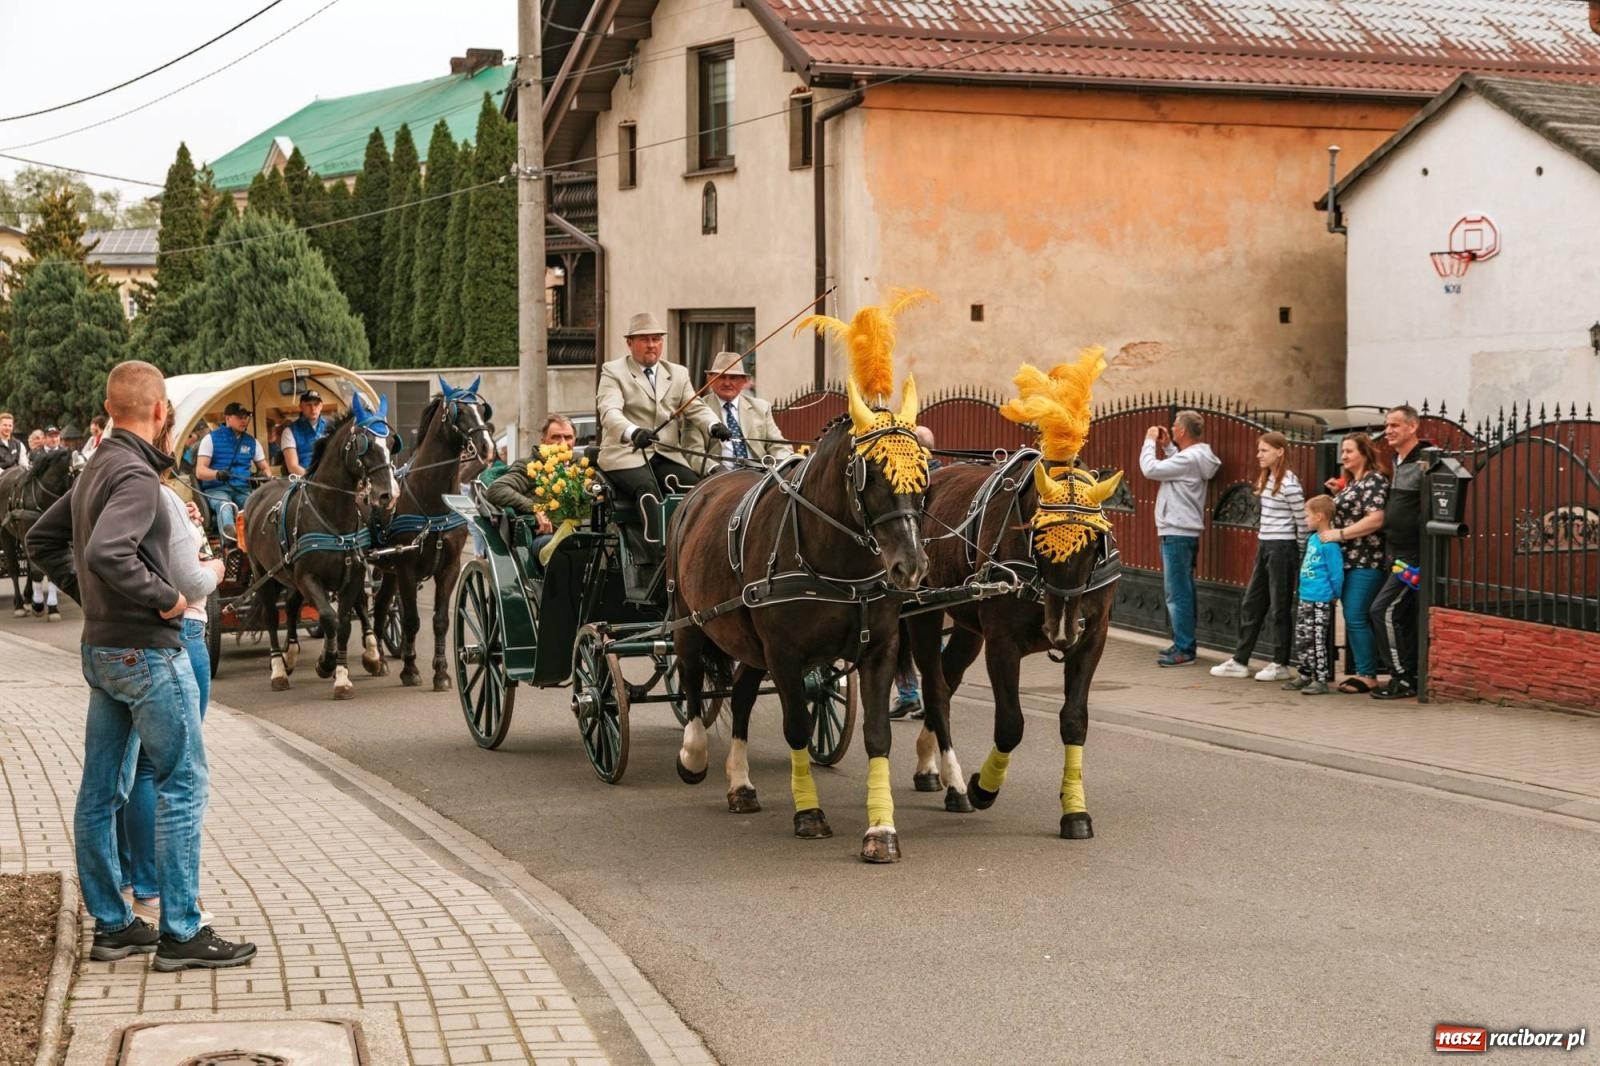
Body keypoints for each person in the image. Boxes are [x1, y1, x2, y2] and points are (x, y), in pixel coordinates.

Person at [27, 359, 255, 971]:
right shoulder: (133, 473)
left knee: (101, 791)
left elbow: (41, 540)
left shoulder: (99, 465)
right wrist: (167, 598)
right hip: (147, 651)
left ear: (109, 409)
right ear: (159, 411)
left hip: (103, 650)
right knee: (184, 782)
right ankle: (182, 931)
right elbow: (108, 551)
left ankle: (113, 925)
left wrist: (92, 599)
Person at [117, 398, 224, 929]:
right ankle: (162, 895)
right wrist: (218, 567)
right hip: (182, 632)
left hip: (129, 638)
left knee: (135, 769)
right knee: (172, 773)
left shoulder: (119, 486)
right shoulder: (158, 493)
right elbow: (192, 579)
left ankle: (135, 882)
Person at [595, 312, 727, 514]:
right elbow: (609, 412)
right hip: (626, 454)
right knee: (647, 490)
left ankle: (686, 534)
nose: (651, 345)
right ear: (629, 343)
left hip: (666, 454)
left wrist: (713, 425)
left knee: (694, 488)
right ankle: (655, 536)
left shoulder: (678, 372)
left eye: (656, 339)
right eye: (644, 339)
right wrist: (633, 432)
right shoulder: (613, 371)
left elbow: (695, 406)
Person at [1210, 431, 1306, 681]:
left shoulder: (1290, 484)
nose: (1258, 455)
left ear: (1280, 451)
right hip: (1265, 545)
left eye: (1264, 450)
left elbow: (1302, 522)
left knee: (1280, 607)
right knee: (1252, 603)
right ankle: (1240, 660)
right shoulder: (1268, 479)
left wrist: (1300, 553)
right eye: (1259, 450)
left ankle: (1280, 663)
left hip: (1282, 548)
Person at [1139, 409, 1221, 667]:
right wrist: (1168, 448)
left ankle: (1185, 649)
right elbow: (1179, 467)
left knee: (1177, 594)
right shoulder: (1194, 457)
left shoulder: (1190, 458)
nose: (1172, 428)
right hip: (1181, 532)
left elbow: (1149, 469)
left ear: (1183, 430)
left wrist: (1149, 440)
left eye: (1175, 425)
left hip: (1177, 532)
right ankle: (1182, 643)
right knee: (1182, 590)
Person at [1367, 405, 1433, 701]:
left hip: (1414, 556)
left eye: (1394, 425)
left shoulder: (1427, 459)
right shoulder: (1396, 459)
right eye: (1387, 425)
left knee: (1382, 610)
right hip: (1395, 552)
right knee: (1402, 616)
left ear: (1412, 427)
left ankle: (1402, 678)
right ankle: (1410, 675)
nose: (1388, 431)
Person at [1319, 432, 1389, 693]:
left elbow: (1376, 519)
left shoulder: (1374, 480)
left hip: (1366, 559)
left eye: (1349, 451)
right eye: (1343, 451)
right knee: (1354, 616)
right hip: (1348, 560)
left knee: (1356, 615)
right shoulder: (1354, 482)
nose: (1344, 456)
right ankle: (1364, 671)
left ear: (1364, 453)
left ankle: (1368, 675)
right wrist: (1339, 493)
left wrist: (1340, 534)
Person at [890, 426, 943, 720]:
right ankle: (934, 687)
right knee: (931, 635)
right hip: (935, 570)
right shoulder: (943, 476)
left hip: (906, 567)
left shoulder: (902, 477)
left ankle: (910, 694)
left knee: (901, 633)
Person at [679, 352, 793, 474]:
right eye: (721, 377)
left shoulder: (761, 408)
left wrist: (781, 466)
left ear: (744, 381)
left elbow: (779, 446)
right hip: (719, 477)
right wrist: (714, 469)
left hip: (760, 477)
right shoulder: (697, 409)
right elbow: (693, 452)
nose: (727, 383)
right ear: (710, 379)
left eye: (733, 378)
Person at [486, 415, 581, 560]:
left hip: (585, 533)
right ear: (543, 441)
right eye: (555, 437)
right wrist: (535, 508)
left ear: (574, 441)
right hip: (545, 536)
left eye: (568, 437)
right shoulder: (528, 467)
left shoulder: (583, 465)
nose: (562, 443)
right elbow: (497, 489)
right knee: (565, 545)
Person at [1282, 495, 1343, 695]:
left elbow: (1336, 573)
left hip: (1320, 599)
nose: (1305, 519)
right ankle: (1305, 673)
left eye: (1307, 515)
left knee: (1316, 639)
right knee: (1302, 638)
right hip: (1306, 596)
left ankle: (1321, 679)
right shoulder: (1313, 539)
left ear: (1319, 516)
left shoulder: (1330, 544)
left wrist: (1335, 594)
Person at [194, 401, 269, 540]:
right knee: (225, 506)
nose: (244, 420)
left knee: (255, 506)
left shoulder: (252, 442)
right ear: (228, 418)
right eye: (240, 417)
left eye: (246, 417)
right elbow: (200, 471)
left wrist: (264, 475)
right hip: (217, 489)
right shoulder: (210, 439)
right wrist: (217, 474)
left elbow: (265, 468)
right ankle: (230, 544)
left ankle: (258, 542)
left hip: (242, 489)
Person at [277, 389, 328, 477]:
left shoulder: (331, 428)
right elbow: (292, 467)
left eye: (316, 404)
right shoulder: (289, 431)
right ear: (301, 407)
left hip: (330, 477)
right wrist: (313, 479)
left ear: (321, 406)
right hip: (303, 480)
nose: (313, 408)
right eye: (308, 405)